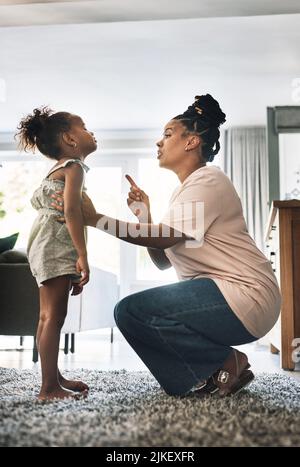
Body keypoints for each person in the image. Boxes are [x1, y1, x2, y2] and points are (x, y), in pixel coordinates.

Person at [52, 94, 281, 398]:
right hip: (228, 297)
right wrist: (145, 215)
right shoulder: (187, 191)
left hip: (245, 294)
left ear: (192, 142)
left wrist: (94, 219)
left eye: (168, 134)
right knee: (134, 317)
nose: (159, 142)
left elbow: (165, 237)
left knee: (131, 311)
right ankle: (219, 372)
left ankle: (224, 363)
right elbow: (163, 260)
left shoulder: (208, 180)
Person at [16, 107, 97, 400]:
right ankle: (48, 387)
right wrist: (82, 257)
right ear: (70, 138)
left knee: (46, 316)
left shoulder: (56, 168)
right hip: (54, 243)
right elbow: (72, 212)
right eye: (85, 126)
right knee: (54, 318)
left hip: (43, 242)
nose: (92, 132)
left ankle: (54, 376)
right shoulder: (73, 167)